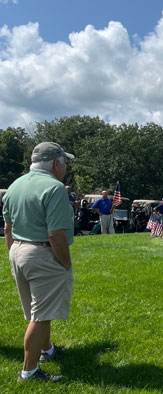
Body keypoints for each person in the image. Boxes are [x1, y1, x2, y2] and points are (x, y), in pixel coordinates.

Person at [2, 142, 75, 382]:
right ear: (55, 163)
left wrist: (13, 257)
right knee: (40, 316)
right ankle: (29, 371)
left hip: (19, 251)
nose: (65, 167)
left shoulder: (15, 185)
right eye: (64, 162)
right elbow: (56, 234)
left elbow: (8, 228)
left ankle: (47, 350)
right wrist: (65, 263)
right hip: (42, 253)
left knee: (39, 310)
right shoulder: (55, 188)